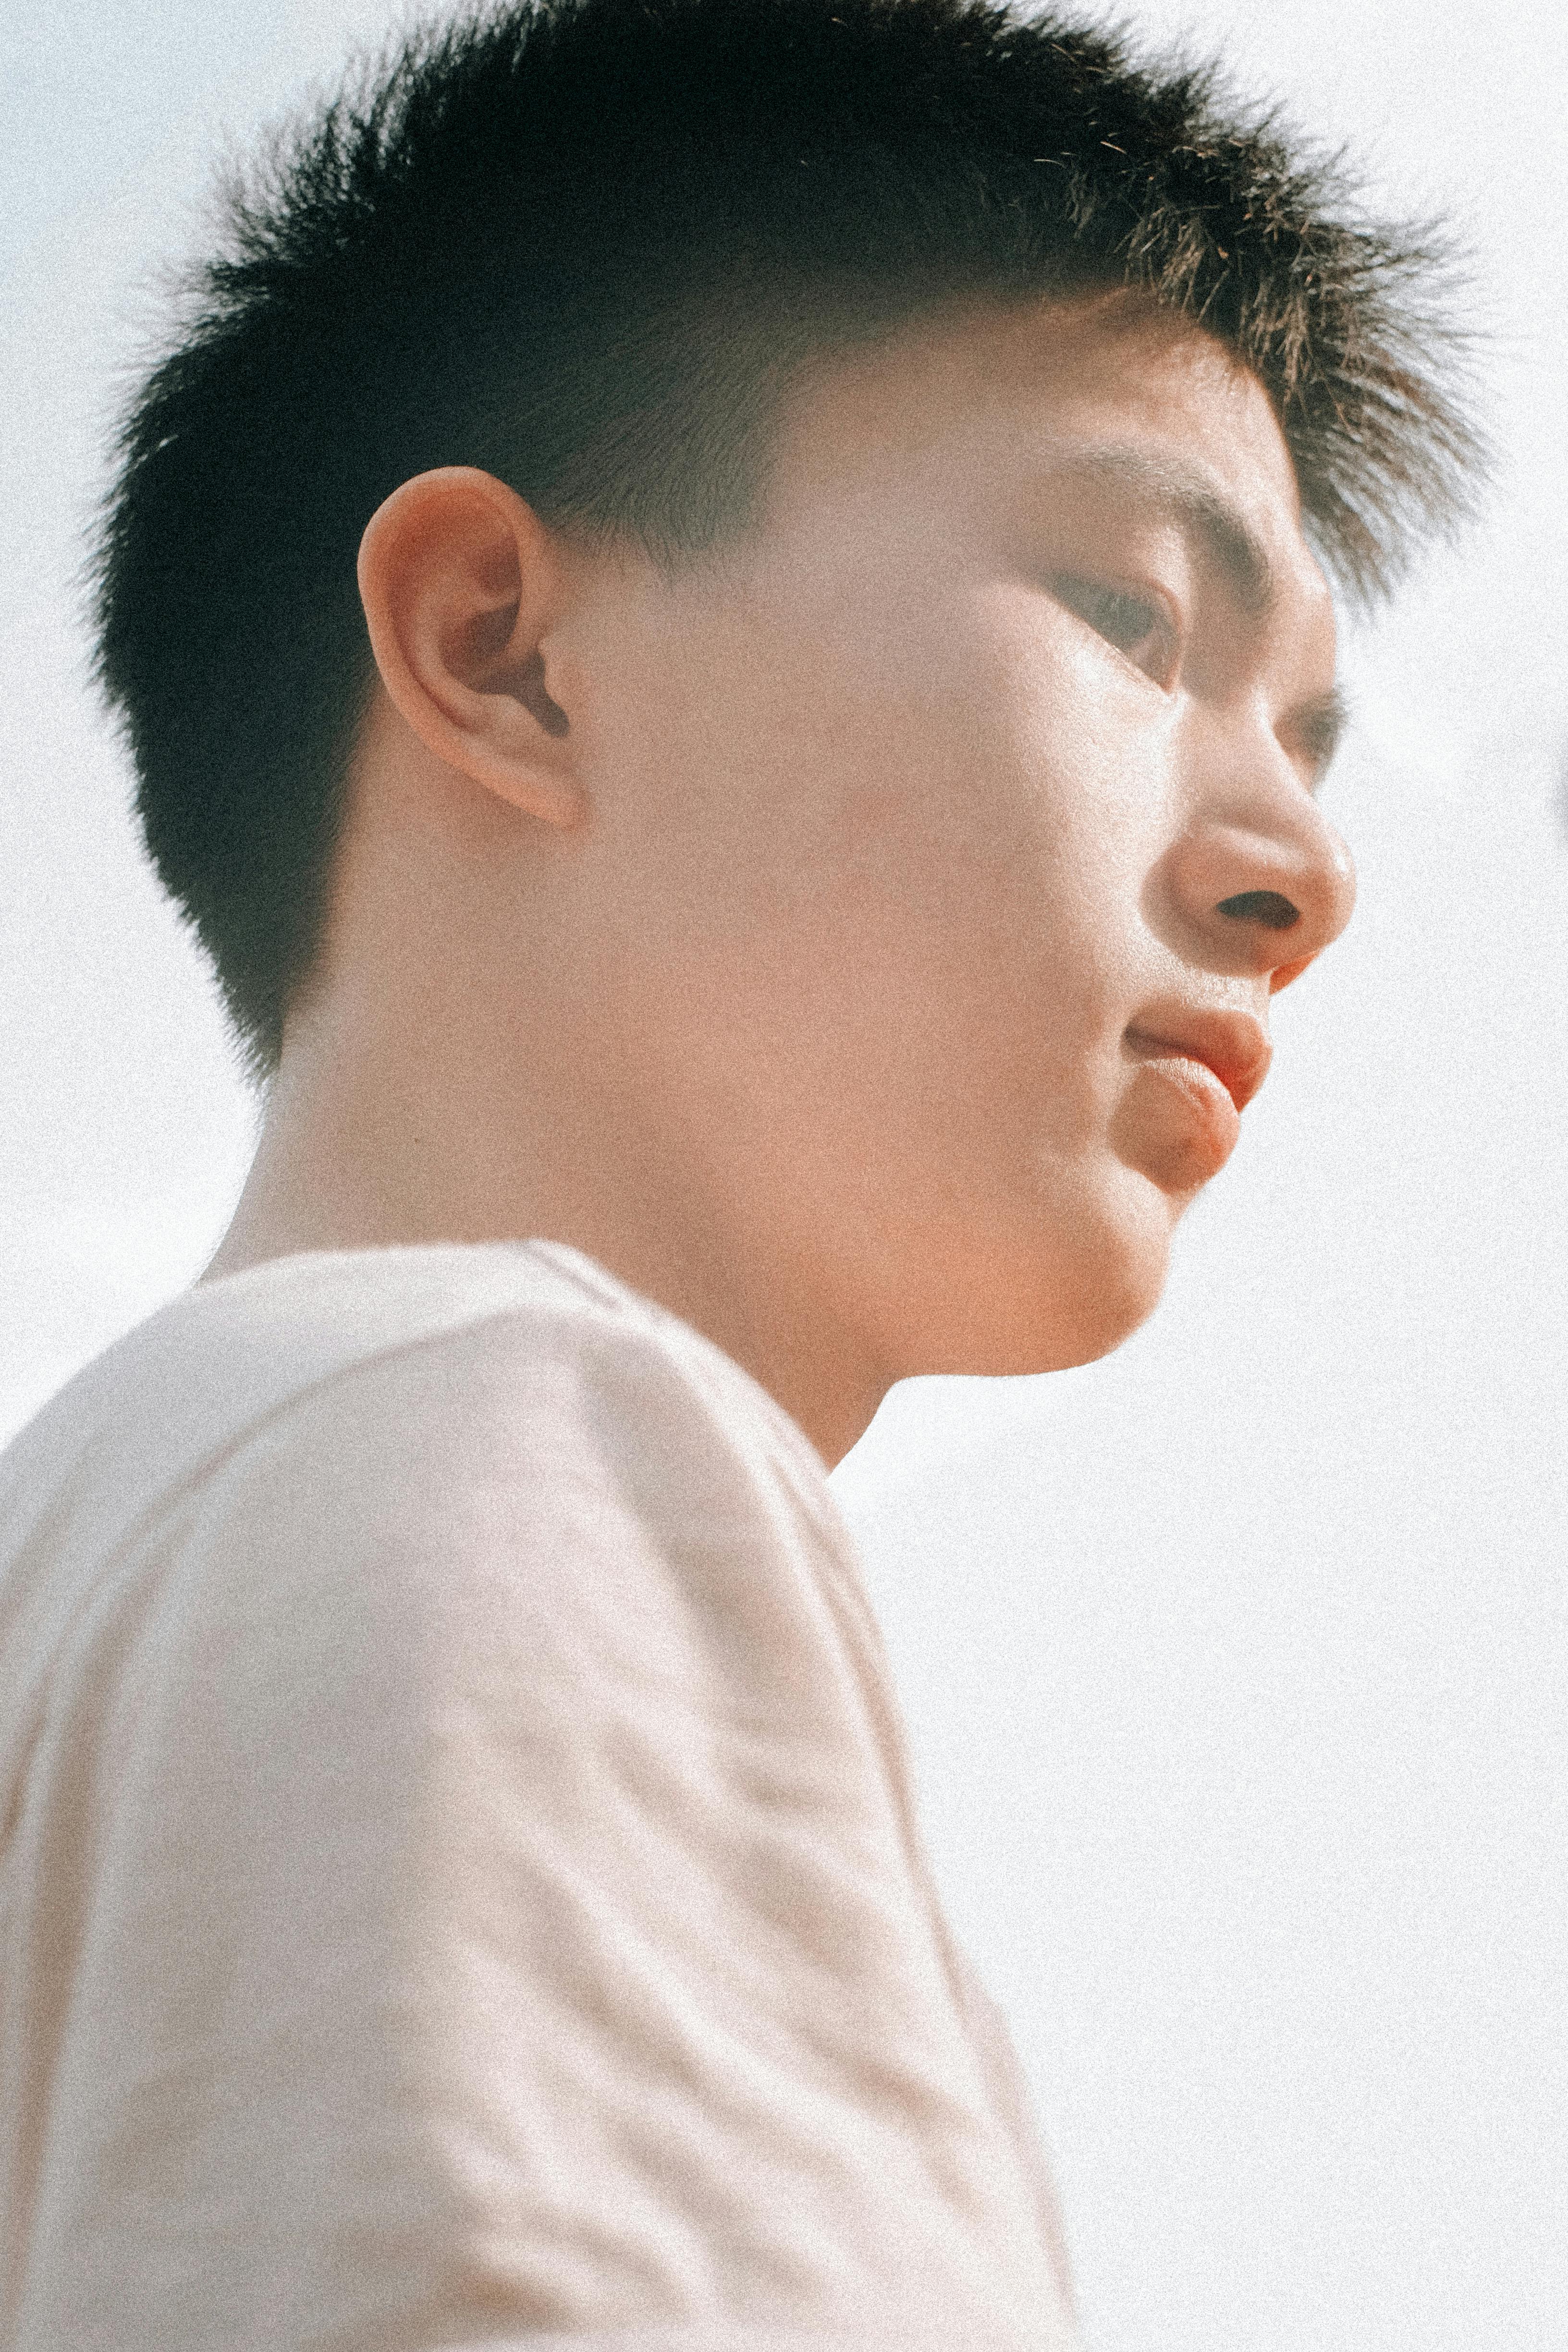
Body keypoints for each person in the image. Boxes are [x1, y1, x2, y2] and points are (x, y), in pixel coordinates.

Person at [0, 0, 1480, 2344]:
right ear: (505, 651)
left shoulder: (131, 1540)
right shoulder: (495, 1425)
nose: (1304, 867)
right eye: (1128, 614)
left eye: (1305, 732)